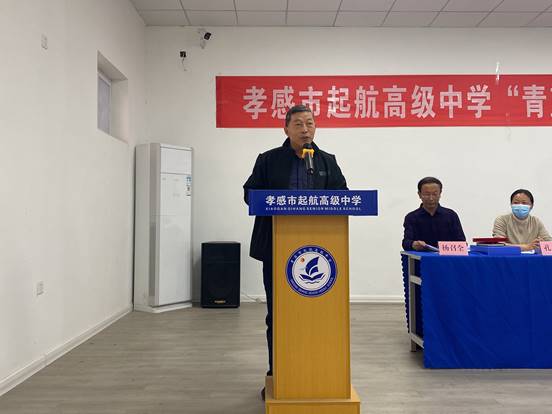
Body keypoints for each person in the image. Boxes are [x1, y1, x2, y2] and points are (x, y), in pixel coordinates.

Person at [243, 105, 348, 399]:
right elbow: (250, 194)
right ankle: (278, 373)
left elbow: (343, 196)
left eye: (310, 123)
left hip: (320, 252)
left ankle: (318, 373)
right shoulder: (268, 160)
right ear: (286, 128)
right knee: (278, 315)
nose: (305, 129)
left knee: (319, 316)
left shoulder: (327, 161)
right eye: (299, 124)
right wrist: (275, 201)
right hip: (277, 249)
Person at [402, 176, 466, 251]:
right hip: (422, 257)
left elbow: (461, 242)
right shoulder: (412, 217)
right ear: (419, 194)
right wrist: (413, 244)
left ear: (440, 193)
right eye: (427, 194)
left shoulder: (451, 215)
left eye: (435, 194)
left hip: (447, 257)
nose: (431, 198)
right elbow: (406, 243)